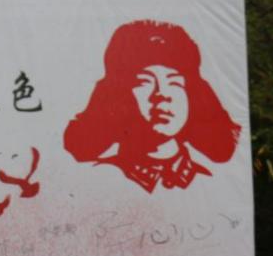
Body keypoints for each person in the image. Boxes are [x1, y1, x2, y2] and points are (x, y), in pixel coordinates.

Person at [63, 19, 242, 194]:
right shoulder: (97, 180)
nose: (162, 94)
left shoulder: (212, 183)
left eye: (174, 82)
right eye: (145, 82)